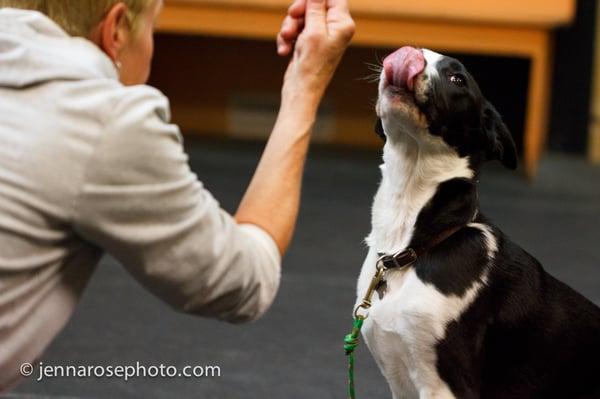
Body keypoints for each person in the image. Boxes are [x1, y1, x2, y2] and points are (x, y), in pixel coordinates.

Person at [0, 0, 355, 391]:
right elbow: (244, 280)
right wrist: (306, 83)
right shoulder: (104, 118)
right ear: (116, 30)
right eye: (152, 29)